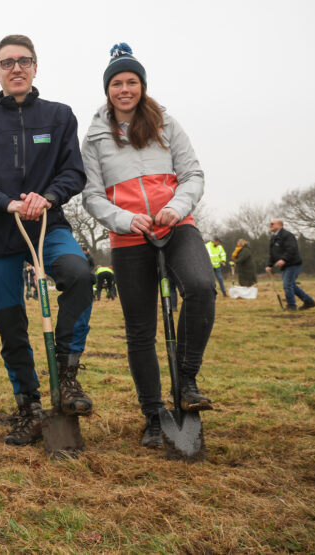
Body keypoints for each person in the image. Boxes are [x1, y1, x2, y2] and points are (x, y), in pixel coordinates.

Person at [0, 34, 94, 446]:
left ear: (35, 67)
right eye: (7, 62)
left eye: (24, 61)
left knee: (80, 275)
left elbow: (73, 172)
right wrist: (7, 203)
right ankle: (29, 406)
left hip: (49, 226)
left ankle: (66, 376)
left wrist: (47, 197)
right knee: (11, 325)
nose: (16, 68)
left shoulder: (59, 116)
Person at [81, 43, 216, 449]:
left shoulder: (167, 125)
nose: (125, 89)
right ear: (108, 89)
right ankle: (154, 414)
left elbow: (192, 174)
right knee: (140, 330)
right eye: (117, 83)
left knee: (201, 286)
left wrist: (175, 207)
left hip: (176, 226)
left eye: (132, 82)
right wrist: (125, 219)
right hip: (128, 237)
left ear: (143, 85)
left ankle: (187, 378)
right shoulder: (94, 137)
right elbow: (91, 195)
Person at [266, 218, 315, 310]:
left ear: (280, 225)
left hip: (293, 264)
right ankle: (309, 302)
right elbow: (272, 253)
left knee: (287, 284)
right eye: (270, 224)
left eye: (272, 224)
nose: (270, 225)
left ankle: (291, 306)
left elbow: (291, 249)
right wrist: (269, 265)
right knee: (291, 285)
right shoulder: (273, 238)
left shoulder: (288, 235)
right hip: (286, 266)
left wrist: (283, 259)